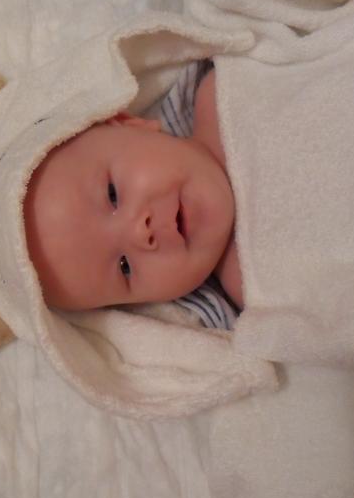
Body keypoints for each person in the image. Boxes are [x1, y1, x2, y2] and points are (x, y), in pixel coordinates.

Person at [23, 62, 244, 320]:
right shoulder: (256, 298)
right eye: (124, 267)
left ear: (128, 123)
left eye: (113, 195)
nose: (140, 232)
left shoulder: (224, 88)